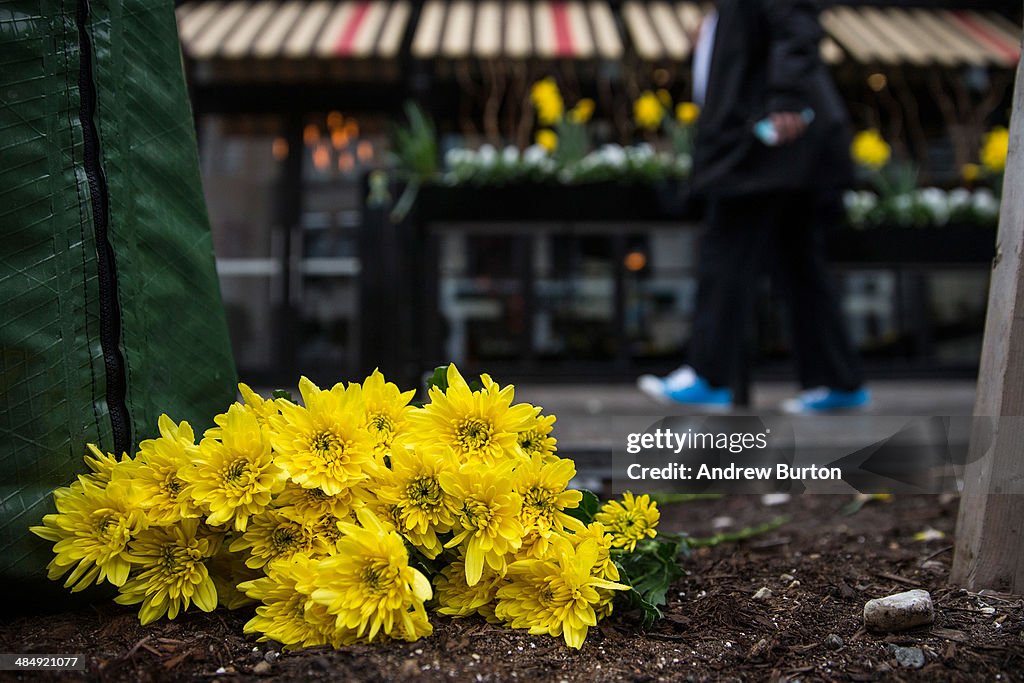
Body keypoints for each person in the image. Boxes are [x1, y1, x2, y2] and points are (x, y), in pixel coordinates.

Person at [638, 0, 870, 413]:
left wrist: (786, 98)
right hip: (772, 146)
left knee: (727, 251)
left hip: (762, 145)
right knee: (800, 263)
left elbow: (797, 23)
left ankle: (710, 375)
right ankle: (839, 381)